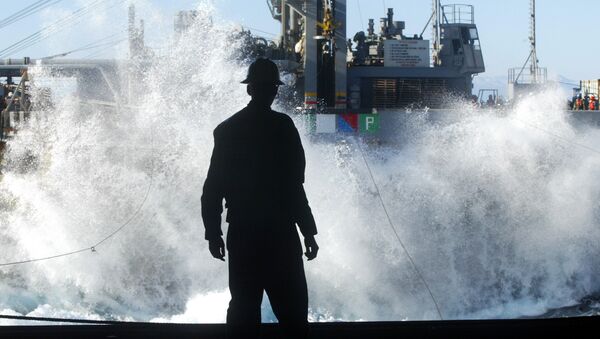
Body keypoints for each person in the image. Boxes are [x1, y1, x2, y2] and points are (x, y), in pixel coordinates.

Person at [201, 58, 319, 339]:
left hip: (243, 235)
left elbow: (212, 189)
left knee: (243, 310)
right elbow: (294, 187)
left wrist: (213, 234)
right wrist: (308, 232)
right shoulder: (283, 127)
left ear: (249, 89)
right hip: (280, 235)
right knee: (293, 315)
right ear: (273, 91)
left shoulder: (227, 131)